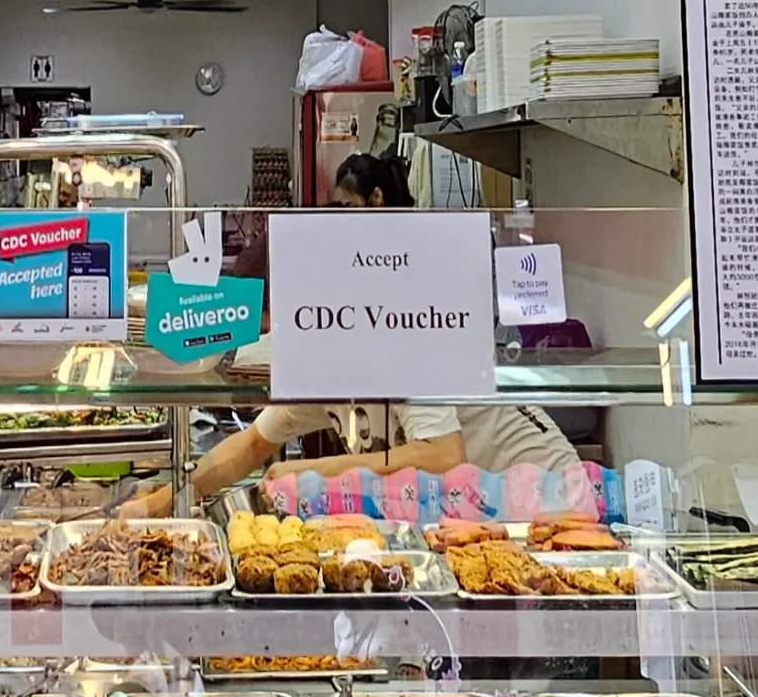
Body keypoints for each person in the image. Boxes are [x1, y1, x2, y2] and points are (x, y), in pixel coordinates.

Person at [156, 142, 576, 504]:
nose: (274, 345)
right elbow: (252, 444)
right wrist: (164, 501)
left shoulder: (398, 329)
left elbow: (444, 456)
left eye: (275, 328)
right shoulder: (321, 354)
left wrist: (318, 471)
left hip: (548, 494)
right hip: (479, 510)